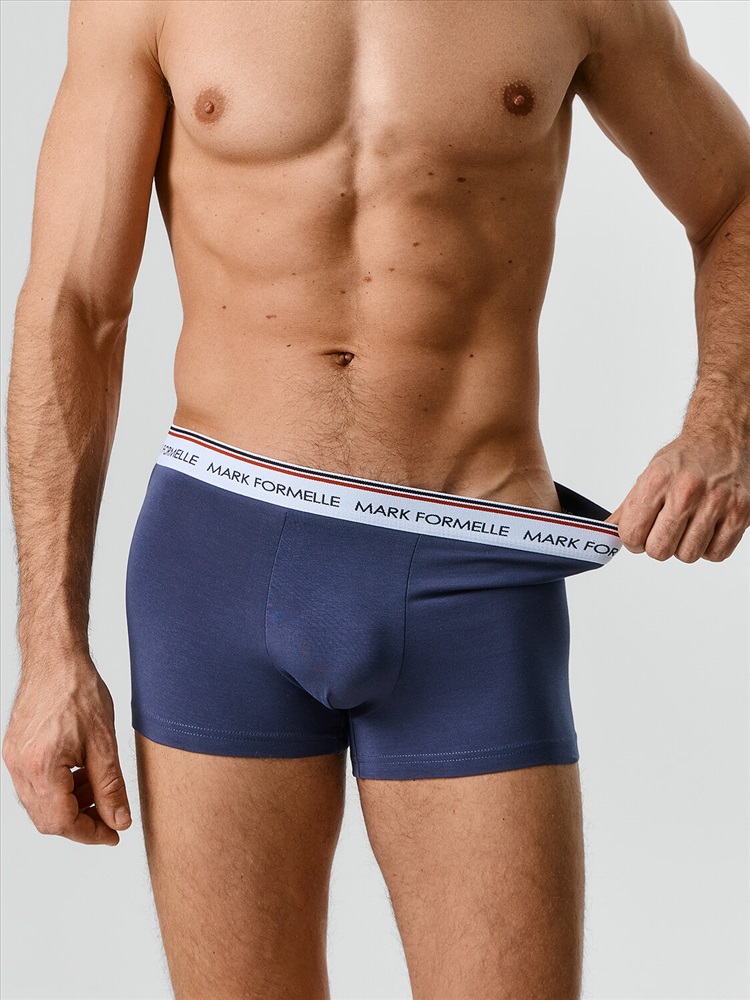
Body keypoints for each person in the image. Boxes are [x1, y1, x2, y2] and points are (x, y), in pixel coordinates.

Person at [3, 1, 749, 996]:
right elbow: (75, 306)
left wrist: (723, 419)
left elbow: (734, 197)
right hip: (218, 564)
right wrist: (49, 650)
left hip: (470, 573)